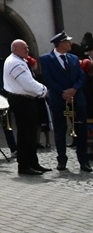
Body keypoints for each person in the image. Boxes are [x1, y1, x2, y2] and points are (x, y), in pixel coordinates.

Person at [39, 31, 90, 172]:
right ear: (60, 44)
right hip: (59, 99)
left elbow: (81, 77)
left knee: (81, 130)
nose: (70, 44)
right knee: (60, 130)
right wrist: (64, 92)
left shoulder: (74, 58)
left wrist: (74, 89)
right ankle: (62, 159)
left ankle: (84, 161)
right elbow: (48, 79)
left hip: (77, 99)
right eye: (67, 42)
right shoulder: (46, 59)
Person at [3, 39, 50, 176]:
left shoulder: (19, 60)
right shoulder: (15, 62)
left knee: (31, 133)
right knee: (25, 134)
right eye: (24, 48)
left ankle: (33, 162)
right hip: (21, 100)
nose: (27, 50)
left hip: (26, 99)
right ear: (15, 49)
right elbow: (28, 83)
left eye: (27, 47)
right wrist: (44, 91)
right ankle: (24, 165)